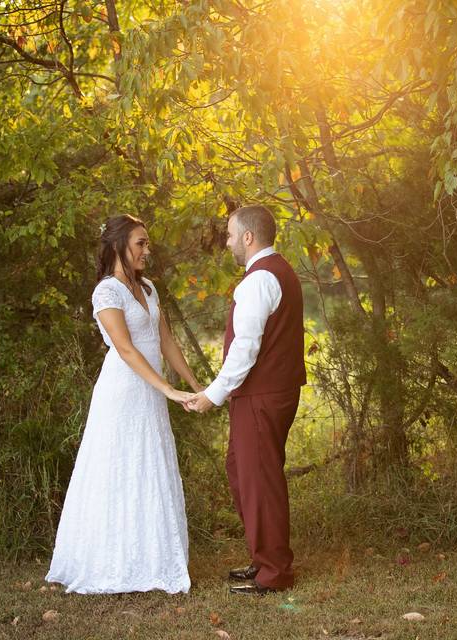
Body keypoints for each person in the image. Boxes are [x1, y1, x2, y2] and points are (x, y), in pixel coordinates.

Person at [46, 214, 202, 594]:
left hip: (152, 393)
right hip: (123, 394)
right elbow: (127, 349)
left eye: (147, 243)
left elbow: (166, 342)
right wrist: (168, 389)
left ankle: (153, 558)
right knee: (118, 469)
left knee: (150, 466)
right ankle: (110, 561)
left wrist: (196, 388)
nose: (148, 250)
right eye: (140, 243)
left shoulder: (148, 288)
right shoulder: (106, 293)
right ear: (118, 246)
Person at [187, 204, 306, 595]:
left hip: (260, 394)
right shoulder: (278, 271)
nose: (228, 241)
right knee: (243, 471)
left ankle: (275, 572)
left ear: (249, 237)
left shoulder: (258, 280)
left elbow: (245, 349)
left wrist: (212, 395)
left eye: (231, 234)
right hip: (271, 391)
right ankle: (263, 556)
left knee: (260, 480)